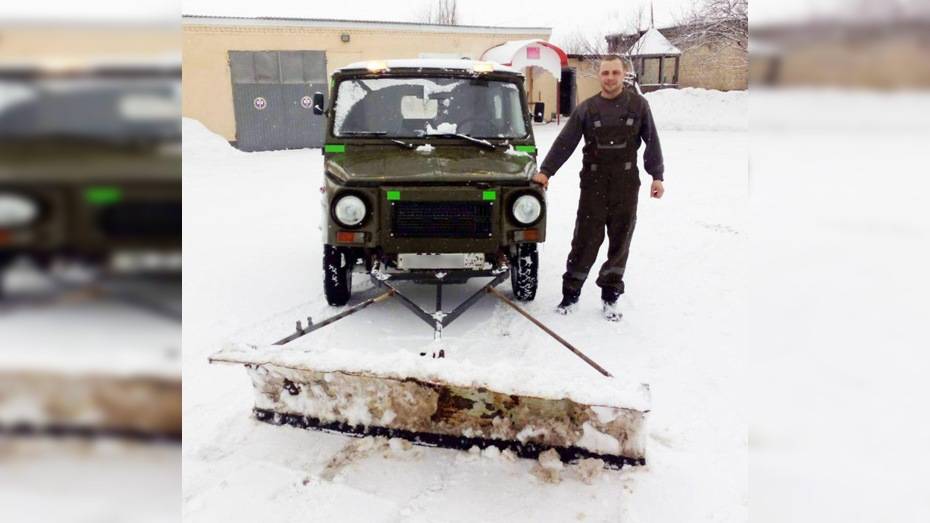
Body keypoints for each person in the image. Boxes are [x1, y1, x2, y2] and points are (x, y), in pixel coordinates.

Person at [532, 55, 665, 321]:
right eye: (605, 73)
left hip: (625, 185)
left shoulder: (638, 105)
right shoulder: (587, 109)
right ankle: (571, 295)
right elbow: (565, 142)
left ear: (623, 74)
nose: (610, 78)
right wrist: (546, 171)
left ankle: (610, 296)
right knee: (585, 240)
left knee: (620, 241)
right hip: (593, 185)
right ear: (600, 76)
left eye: (615, 72)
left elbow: (651, 140)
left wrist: (657, 176)